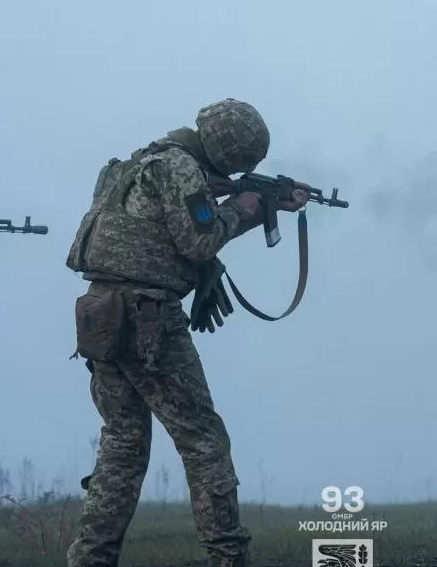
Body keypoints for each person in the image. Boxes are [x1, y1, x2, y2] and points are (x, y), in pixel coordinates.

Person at [64, 98, 309, 567]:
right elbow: (199, 241)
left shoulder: (139, 164)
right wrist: (242, 207)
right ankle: (227, 556)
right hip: (148, 318)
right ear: (232, 151)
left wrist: (239, 206)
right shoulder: (179, 169)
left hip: (101, 314)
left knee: (122, 444)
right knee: (204, 440)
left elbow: (166, 233)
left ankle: (90, 559)